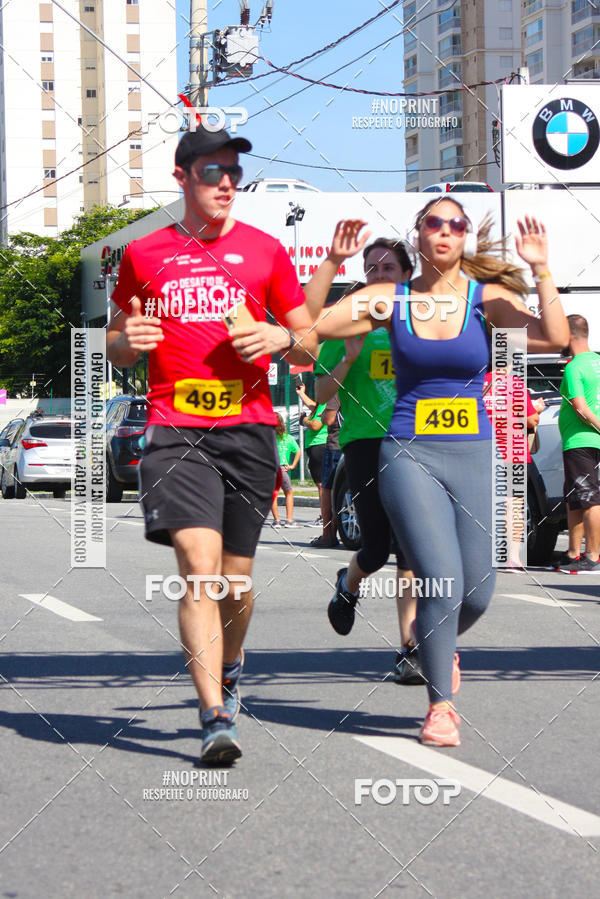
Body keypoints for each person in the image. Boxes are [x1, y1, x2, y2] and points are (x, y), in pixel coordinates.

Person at [106, 124, 323, 765]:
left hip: (249, 430)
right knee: (197, 570)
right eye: (212, 172)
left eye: (234, 173)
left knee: (235, 583)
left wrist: (282, 341)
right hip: (175, 429)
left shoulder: (266, 253)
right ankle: (212, 716)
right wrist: (127, 342)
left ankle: (231, 663)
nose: (226, 183)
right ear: (182, 178)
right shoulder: (145, 255)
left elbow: (309, 341)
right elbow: (115, 337)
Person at [316, 203, 568, 746]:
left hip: (473, 451)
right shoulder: (392, 301)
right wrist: (332, 268)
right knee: (438, 579)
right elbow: (306, 335)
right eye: (436, 223)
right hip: (408, 452)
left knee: (476, 593)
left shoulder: (487, 302)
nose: (448, 231)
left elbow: (554, 337)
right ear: (420, 235)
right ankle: (441, 708)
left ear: (465, 237)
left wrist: (542, 270)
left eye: (458, 224)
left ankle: (437, 644)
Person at [307, 238, 422, 684]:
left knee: (412, 548)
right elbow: (319, 395)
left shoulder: (424, 320)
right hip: (365, 441)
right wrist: (350, 359)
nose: (378, 275)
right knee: (375, 548)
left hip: (417, 439)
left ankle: (409, 649)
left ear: (407, 274)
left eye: (388, 267)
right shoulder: (347, 322)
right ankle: (348, 582)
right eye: (370, 267)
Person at [482, 370, 540, 568]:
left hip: (485, 450)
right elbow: (531, 420)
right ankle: (513, 558)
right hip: (513, 452)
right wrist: (538, 408)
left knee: (484, 502)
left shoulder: (478, 383)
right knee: (514, 504)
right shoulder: (514, 384)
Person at [557, 314, 600, 574]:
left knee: (589, 498)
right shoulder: (597, 361)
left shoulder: (574, 367)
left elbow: (581, 408)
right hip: (585, 442)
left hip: (581, 440)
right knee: (575, 498)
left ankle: (593, 557)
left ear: (570, 335)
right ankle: (574, 553)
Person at [296, 381, 327, 524]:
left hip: (320, 445)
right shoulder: (322, 403)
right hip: (317, 447)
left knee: (322, 485)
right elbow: (314, 407)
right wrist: (302, 393)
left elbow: (315, 425)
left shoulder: (328, 401)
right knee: (322, 485)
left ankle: (325, 516)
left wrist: (303, 420)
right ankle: (326, 515)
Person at [272, 413, 301, 527]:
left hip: (271, 468)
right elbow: (298, 451)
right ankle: (289, 520)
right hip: (283, 468)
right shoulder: (288, 438)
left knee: (273, 493)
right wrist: (293, 465)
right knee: (288, 492)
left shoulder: (268, 437)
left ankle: (276, 520)